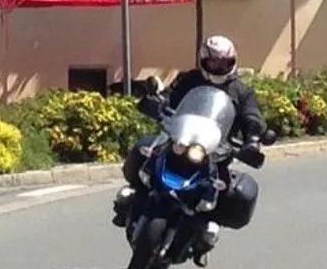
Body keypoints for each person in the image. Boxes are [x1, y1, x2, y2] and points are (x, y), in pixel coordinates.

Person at [113, 35, 270, 230]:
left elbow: (252, 115)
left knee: (233, 191)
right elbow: (170, 97)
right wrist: (157, 101)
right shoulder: (189, 79)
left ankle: (208, 224)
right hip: (181, 140)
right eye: (213, 61)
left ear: (232, 61)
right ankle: (132, 198)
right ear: (204, 60)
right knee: (144, 149)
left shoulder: (241, 91)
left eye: (224, 62)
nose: (218, 66)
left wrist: (253, 138)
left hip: (216, 151)